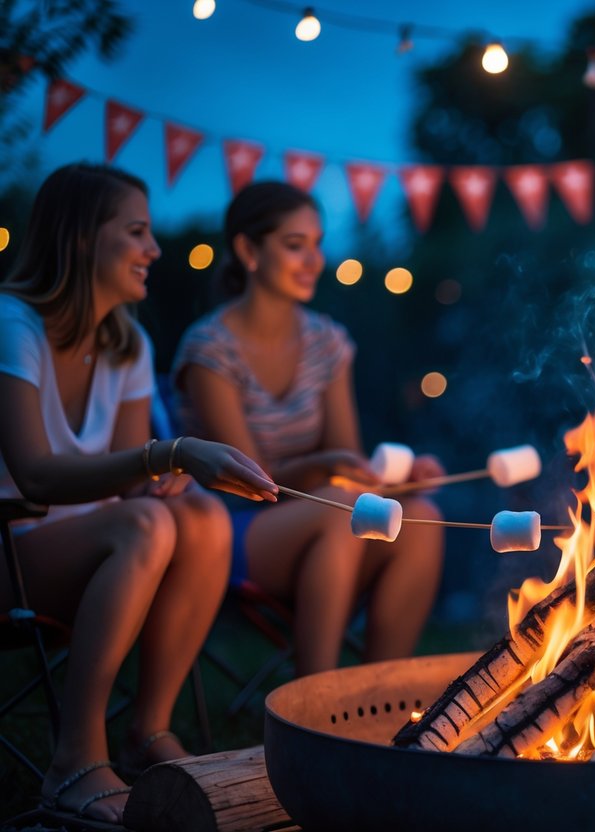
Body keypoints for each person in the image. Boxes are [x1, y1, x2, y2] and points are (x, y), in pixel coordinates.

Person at [0, 163, 278, 823]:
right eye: (136, 232)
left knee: (201, 516)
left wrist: (167, 478)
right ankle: (73, 760)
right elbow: (35, 475)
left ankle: (147, 731)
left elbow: (130, 480)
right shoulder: (14, 326)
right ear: (78, 240)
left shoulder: (127, 344)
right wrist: (170, 453)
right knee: (146, 528)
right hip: (10, 555)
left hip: (86, 557)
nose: (154, 250)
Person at [173, 181, 444, 678]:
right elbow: (246, 480)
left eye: (317, 244)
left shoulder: (326, 342)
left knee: (420, 518)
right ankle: (314, 709)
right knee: (344, 512)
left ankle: (378, 702)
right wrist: (325, 469)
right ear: (247, 249)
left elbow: (348, 459)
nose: (313, 260)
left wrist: (401, 478)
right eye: (295, 245)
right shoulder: (209, 349)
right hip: (227, 530)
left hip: (322, 526)